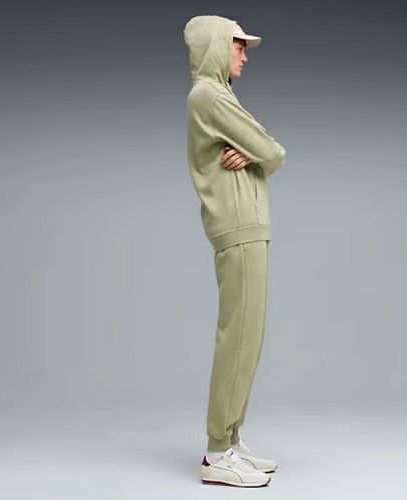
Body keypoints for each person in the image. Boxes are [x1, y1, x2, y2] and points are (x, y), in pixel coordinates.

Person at [184, 15, 286, 487]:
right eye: (238, 45)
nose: (245, 55)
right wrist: (260, 151)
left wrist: (255, 151)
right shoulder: (209, 95)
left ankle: (231, 437)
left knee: (249, 338)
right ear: (215, 46)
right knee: (238, 338)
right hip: (238, 228)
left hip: (248, 227)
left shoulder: (220, 96)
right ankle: (216, 452)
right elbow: (274, 150)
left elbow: (263, 149)